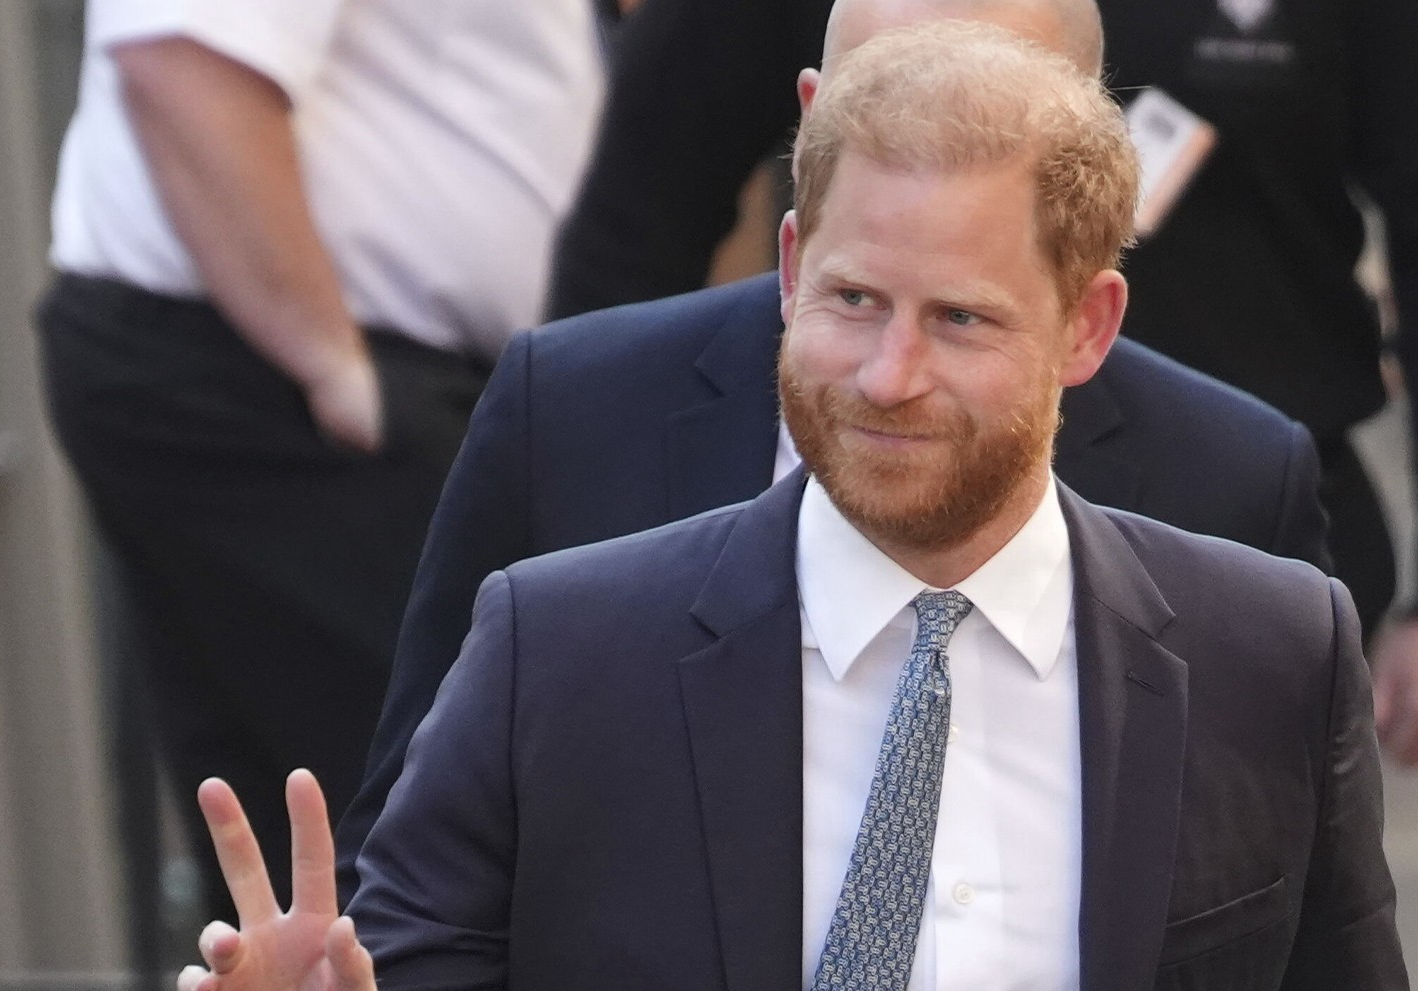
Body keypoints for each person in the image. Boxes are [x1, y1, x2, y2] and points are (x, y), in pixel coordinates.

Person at [179, 24, 1415, 991]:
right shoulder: (556, 655)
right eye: (855, 301)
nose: (890, 376)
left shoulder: (1269, 654)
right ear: (787, 270)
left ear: (1086, 326)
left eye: (962, 320)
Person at [330, 0, 1334, 905]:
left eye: (1003, 111)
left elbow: (1284, 940)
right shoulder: (573, 412)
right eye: (885, 102)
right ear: (812, 117)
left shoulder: (1228, 477)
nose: (934, 147)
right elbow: (417, 857)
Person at [550, 0, 1418, 771]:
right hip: (850, 521)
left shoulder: (1247, 505)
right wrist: (599, 553)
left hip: (1235, 524)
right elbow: (636, 222)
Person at [37, 0, 608, 932]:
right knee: (450, 853)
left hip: (310, 386)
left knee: (308, 910)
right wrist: (336, 369)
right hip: (287, 389)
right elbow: (183, 57)